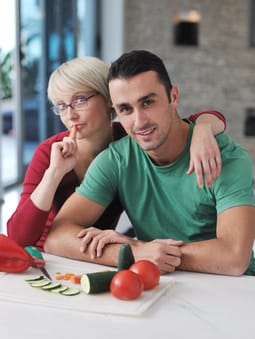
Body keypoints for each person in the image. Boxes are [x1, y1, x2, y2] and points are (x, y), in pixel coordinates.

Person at [44, 50, 255, 276]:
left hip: (233, 291)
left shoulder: (226, 157)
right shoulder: (116, 159)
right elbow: (57, 237)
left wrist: (140, 248)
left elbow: (233, 257)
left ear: (173, 96)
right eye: (125, 109)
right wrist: (132, 252)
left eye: (147, 102)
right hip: (157, 283)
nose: (139, 121)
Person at [7, 55, 226, 251]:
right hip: (47, 254)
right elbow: (18, 238)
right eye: (61, 106)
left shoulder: (132, 139)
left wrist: (203, 129)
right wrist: (54, 173)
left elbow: (185, 121)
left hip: (97, 253)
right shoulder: (50, 152)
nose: (70, 115)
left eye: (80, 100)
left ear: (108, 100)